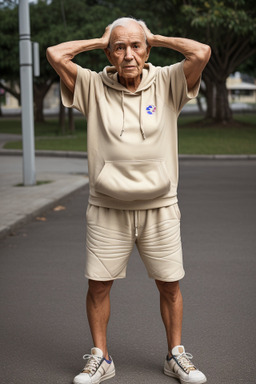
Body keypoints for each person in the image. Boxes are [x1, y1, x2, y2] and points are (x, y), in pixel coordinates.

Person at [47, 17, 211, 384]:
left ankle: (175, 355)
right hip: (107, 209)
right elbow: (55, 53)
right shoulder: (91, 85)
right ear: (109, 53)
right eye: (118, 48)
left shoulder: (168, 81)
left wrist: (151, 35)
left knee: (170, 284)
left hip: (160, 206)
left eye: (136, 47)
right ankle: (101, 358)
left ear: (148, 50)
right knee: (98, 285)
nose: (128, 55)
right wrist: (100, 38)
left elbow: (201, 52)